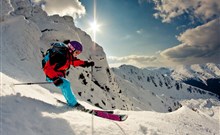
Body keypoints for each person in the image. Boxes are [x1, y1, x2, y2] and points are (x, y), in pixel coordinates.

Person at [42, 40, 94, 110]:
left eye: (79, 53)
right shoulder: (60, 56)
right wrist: (55, 78)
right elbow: (47, 68)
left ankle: (70, 101)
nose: (77, 54)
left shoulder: (68, 56)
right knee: (66, 84)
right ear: (71, 49)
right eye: (77, 52)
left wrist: (86, 63)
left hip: (57, 74)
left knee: (64, 85)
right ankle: (73, 104)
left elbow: (74, 62)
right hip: (51, 74)